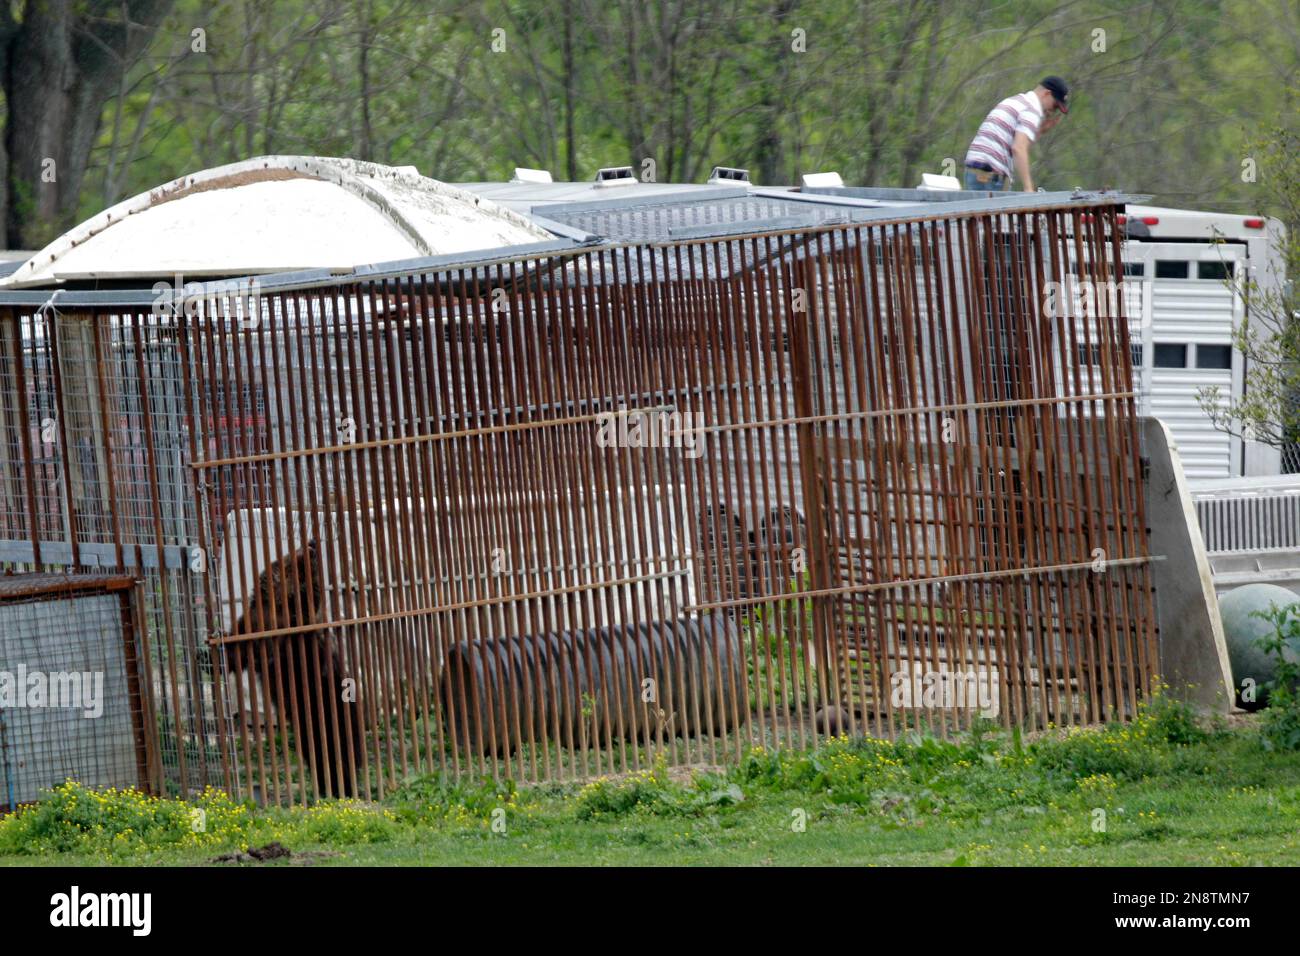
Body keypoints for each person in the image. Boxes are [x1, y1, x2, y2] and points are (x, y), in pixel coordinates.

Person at [964, 76, 1069, 192]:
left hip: (976, 169)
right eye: (1055, 105)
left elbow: (1015, 144)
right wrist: (1028, 188)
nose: (1052, 111)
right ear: (1047, 94)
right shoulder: (1032, 109)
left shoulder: (1017, 101)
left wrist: (1041, 131)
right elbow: (1018, 148)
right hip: (991, 175)